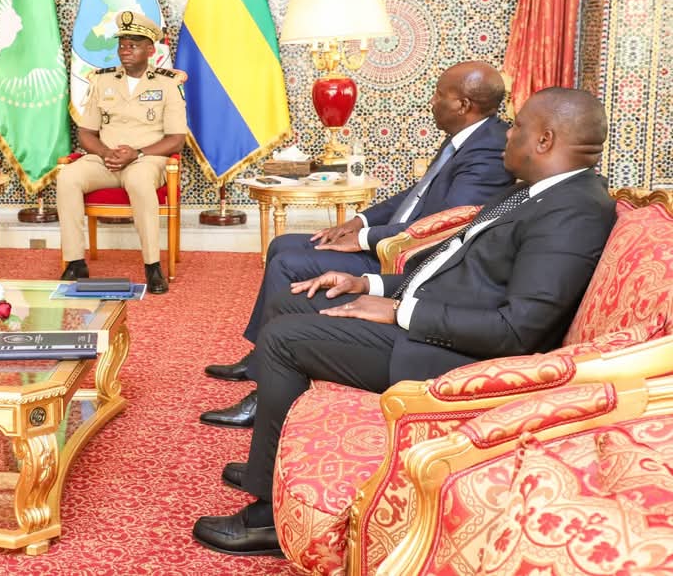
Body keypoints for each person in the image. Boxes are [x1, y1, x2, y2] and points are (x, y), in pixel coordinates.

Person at [191, 87, 617, 557]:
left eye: (516, 126)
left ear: (545, 139)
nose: (506, 135)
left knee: (282, 339)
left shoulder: (573, 211)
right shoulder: (534, 193)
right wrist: (368, 285)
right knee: (293, 302)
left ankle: (269, 520)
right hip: (437, 325)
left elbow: (517, 329)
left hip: (459, 359)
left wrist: (400, 311)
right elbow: (455, 273)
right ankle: (269, 466)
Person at [201, 61, 515, 426]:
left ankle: (266, 393)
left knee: (289, 263)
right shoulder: (467, 137)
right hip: (392, 238)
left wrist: (365, 239)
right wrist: (360, 221)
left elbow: (444, 223)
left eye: (439, 95)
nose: (431, 102)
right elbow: (416, 195)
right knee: (282, 244)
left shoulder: (488, 149)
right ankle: (261, 359)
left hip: (405, 257)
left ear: (463, 105)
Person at [56, 11, 187, 295]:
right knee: (67, 177)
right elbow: (86, 132)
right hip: (105, 160)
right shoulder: (102, 81)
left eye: (134, 45)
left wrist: (136, 153)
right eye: (122, 45)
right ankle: (75, 262)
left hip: (146, 160)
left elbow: (177, 139)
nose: (125, 50)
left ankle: (153, 266)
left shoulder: (167, 84)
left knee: (139, 180)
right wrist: (105, 153)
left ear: (150, 51)